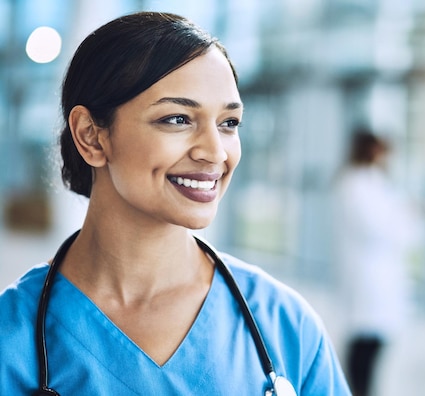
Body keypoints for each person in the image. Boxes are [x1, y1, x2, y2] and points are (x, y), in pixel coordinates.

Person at [0, 12, 350, 395]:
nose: (215, 152)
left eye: (229, 123)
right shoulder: (10, 340)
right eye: (178, 118)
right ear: (92, 137)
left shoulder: (285, 326)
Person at [332, 129, 416, 396]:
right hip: (368, 276)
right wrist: (408, 216)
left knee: (372, 341)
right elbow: (379, 228)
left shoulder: (371, 182)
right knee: (365, 343)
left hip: (377, 275)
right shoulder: (356, 184)